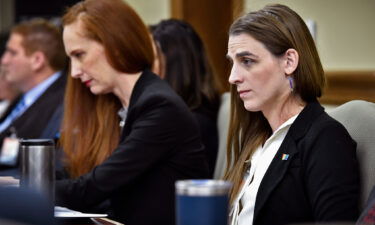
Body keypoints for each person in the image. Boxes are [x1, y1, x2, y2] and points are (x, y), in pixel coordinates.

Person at [56, 0, 208, 225]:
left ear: (115, 43)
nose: (75, 72)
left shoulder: (159, 107)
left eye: (79, 55)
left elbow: (93, 187)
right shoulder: (118, 105)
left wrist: (21, 190)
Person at [224, 4, 359, 225]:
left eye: (247, 61)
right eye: (232, 63)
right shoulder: (256, 134)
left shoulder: (325, 139)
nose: (232, 77)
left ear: (289, 62)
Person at [151, 19, 221, 176]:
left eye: (153, 58)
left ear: (176, 65)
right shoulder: (194, 114)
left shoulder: (190, 122)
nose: (145, 66)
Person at [0, 18, 67, 175]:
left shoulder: (62, 103)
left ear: (37, 60)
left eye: (12, 52)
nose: (4, 60)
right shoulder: (24, 98)